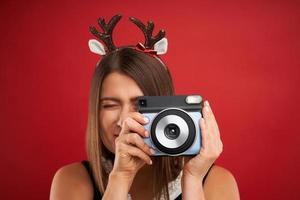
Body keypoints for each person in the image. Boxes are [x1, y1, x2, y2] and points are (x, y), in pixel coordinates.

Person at [50, 15, 239, 200]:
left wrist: (193, 180)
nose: (124, 120)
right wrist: (120, 177)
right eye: (109, 105)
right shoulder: (73, 181)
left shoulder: (217, 181)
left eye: (140, 104)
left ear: (165, 109)